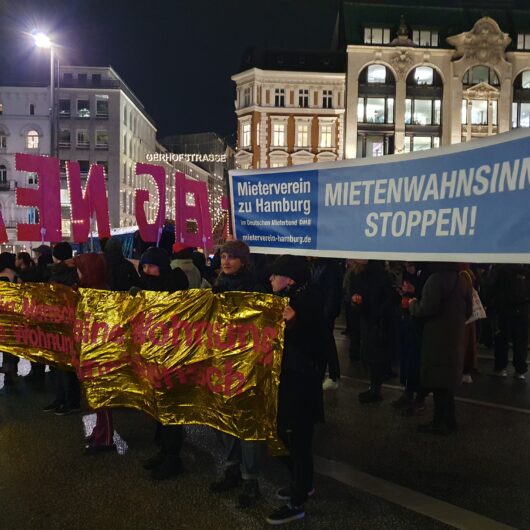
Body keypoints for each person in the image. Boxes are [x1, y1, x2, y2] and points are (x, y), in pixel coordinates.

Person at [266, 255, 324, 525]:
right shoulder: (289, 299)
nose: (270, 279)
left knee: (297, 438)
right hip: (291, 379)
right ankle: (303, 483)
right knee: (286, 433)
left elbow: (316, 342)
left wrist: (296, 323)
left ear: (288, 279)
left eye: (275, 275)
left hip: (301, 383)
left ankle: (297, 501)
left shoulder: (306, 301)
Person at [209, 240, 264, 508]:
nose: (226, 261)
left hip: (248, 365)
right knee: (225, 420)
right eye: (223, 257)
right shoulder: (215, 288)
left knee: (247, 422)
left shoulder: (256, 288)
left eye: (231, 257)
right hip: (221, 364)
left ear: (244, 260)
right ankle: (232, 468)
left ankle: (250, 479)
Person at [138, 246, 189, 480]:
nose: (147, 270)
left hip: (173, 357)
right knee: (159, 407)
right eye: (144, 266)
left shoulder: (175, 288)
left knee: (171, 408)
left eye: (151, 266)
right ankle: (165, 451)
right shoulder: (146, 290)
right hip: (153, 356)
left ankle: (173, 457)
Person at [408, 262, 472, 435]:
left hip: (436, 337)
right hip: (455, 336)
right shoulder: (462, 280)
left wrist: (412, 304)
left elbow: (426, 308)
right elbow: (469, 309)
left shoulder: (435, 280)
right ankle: (450, 420)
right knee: (447, 382)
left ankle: (439, 422)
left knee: (438, 381)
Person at [73, 253, 117, 454]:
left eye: (81, 268)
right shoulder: (86, 290)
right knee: (94, 396)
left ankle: (106, 439)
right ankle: (100, 431)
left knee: (102, 398)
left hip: (99, 353)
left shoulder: (100, 294)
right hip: (88, 352)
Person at [42, 242, 81, 415]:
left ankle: (71, 401)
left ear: (56, 257)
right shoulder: (63, 271)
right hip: (57, 322)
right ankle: (61, 398)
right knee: (58, 364)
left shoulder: (67, 273)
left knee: (66, 366)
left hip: (67, 324)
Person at [353, 260, 400, 403]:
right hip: (376, 320)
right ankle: (374, 388)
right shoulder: (380, 275)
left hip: (375, 322)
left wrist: (371, 313)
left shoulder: (370, 276)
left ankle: (375, 390)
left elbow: (380, 300)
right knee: (375, 355)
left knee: (375, 355)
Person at [487, 264, 530, 380]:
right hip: (523, 310)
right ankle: (520, 370)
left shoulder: (501, 269)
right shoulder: (526, 269)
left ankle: (501, 368)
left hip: (503, 310)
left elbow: (491, 287)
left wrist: (490, 304)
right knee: (521, 341)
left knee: (501, 340)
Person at [308, 258, 342, 390]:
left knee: (328, 344)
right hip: (319, 312)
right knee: (322, 344)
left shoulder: (330, 268)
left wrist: (325, 314)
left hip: (325, 314)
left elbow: (332, 294)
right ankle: (321, 374)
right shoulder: (315, 266)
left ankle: (334, 376)